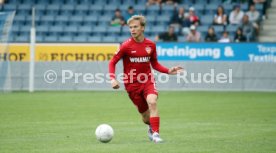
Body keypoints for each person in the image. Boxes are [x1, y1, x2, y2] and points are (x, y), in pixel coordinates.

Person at [108, 15, 183, 143]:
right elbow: (112, 62)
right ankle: (150, 127)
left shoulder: (151, 45)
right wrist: (112, 79)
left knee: (152, 102)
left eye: (135, 27)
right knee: (145, 117)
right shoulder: (125, 46)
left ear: (142, 28)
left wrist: (168, 70)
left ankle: (156, 135)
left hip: (147, 81)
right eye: (130, 27)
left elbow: (155, 64)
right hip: (132, 85)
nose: (132, 29)